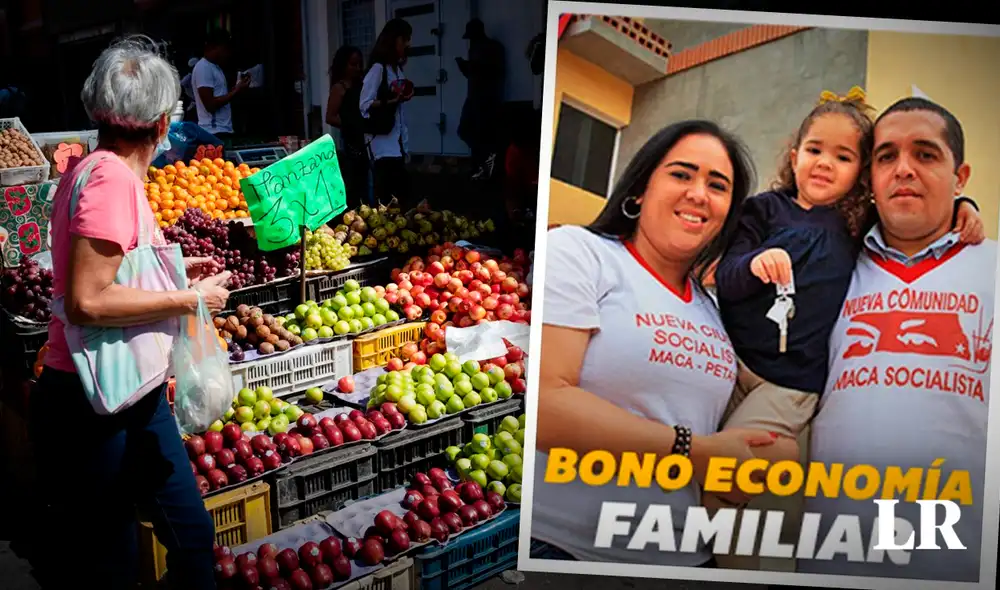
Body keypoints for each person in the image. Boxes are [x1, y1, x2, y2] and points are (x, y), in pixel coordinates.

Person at [29, 37, 231, 589]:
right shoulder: (113, 178)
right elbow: (88, 300)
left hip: (126, 392)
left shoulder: (90, 168)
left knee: (188, 538)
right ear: (163, 124)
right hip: (95, 402)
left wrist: (172, 268)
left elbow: (108, 268)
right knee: (120, 561)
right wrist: (191, 298)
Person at [529, 120, 780, 566]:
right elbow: (546, 406)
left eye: (717, 185)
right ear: (641, 189)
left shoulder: (716, 309)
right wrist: (694, 451)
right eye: (682, 174)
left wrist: (758, 457)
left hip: (688, 558)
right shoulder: (581, 252)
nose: (699, 194)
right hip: (566, 550)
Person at [713, 88, 982, 474]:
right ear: (795, 157)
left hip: (791, 383)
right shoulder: (762, 210)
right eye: (814, 150)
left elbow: (911, 211)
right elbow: (726, 278)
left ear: (862, 173)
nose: (825, 163)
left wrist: (962, 205)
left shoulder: (857, 227)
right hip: (731, 355)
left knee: (732, 462)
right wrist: (755, 264)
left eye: (843, 156)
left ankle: (700, 526)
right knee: (694, 444)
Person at [792, 97, 992, 582]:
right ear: (870, 177)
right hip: (832, 559)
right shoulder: (827, 266)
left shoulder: (994, 270)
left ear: (960, 176)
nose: (903, 169)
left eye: (925, 155)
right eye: (886, 156)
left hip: (961, 562)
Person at [360, 18, 414, 209]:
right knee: (386, 199)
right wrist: (391, 101)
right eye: (404, 39)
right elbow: (364, 104)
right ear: (394, 40)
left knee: (400, 198)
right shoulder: (378, 69)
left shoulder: (397, 69)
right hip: (381, 144)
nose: (407, 44)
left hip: (397, 141)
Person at [456, 18, 506, 176]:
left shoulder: (490, 48)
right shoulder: (480, 48)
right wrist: (466, 67)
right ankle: (482, 164)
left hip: (485, 98)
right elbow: (474, 74)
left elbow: (493, 73)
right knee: (469, 131)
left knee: (477, 133)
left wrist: (471, 67)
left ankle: (482, 166)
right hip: (476, 96)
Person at [326, 45, 370, 210]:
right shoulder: (340, 88)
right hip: (352, 142)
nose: (357, 68)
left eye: (359, 64)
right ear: (343, 65)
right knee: (355, 184)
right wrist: (351, 124)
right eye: (353, 64)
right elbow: (330, 117)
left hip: (368, 140)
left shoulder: (364, 84)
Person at [192, 28, 250, 142]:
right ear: (216, 47)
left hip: (223, 130)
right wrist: (236, 91)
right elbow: (210, 105)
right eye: (226, 49)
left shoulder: (216, 67)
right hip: (213, 131)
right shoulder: (204, 68)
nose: (228, 54)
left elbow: (221, 96)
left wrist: (237, 88)